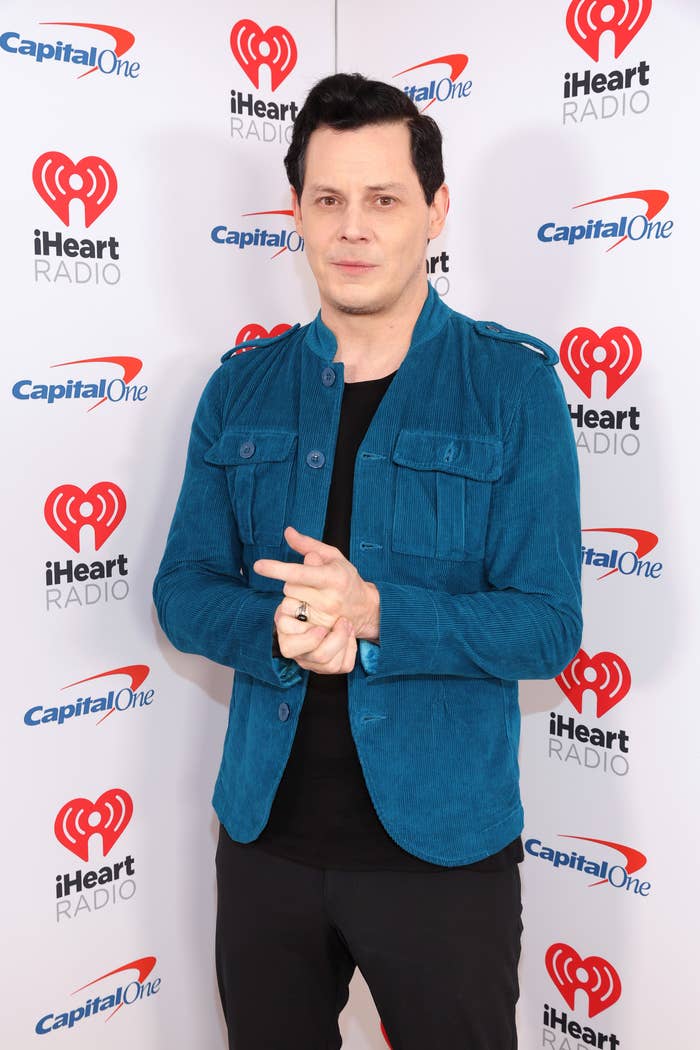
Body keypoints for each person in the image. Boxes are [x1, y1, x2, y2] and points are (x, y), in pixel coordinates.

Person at [153, 72, 582, 1050]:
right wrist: (271, 629)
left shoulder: (512, 389)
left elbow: (548, 623)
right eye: (327, 198)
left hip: (442, 851)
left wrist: (377, 613)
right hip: (264, 846)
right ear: (296, 211)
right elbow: (182, 591)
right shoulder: (241, 388)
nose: (353, 227)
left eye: (383, 198)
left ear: (434, 208)